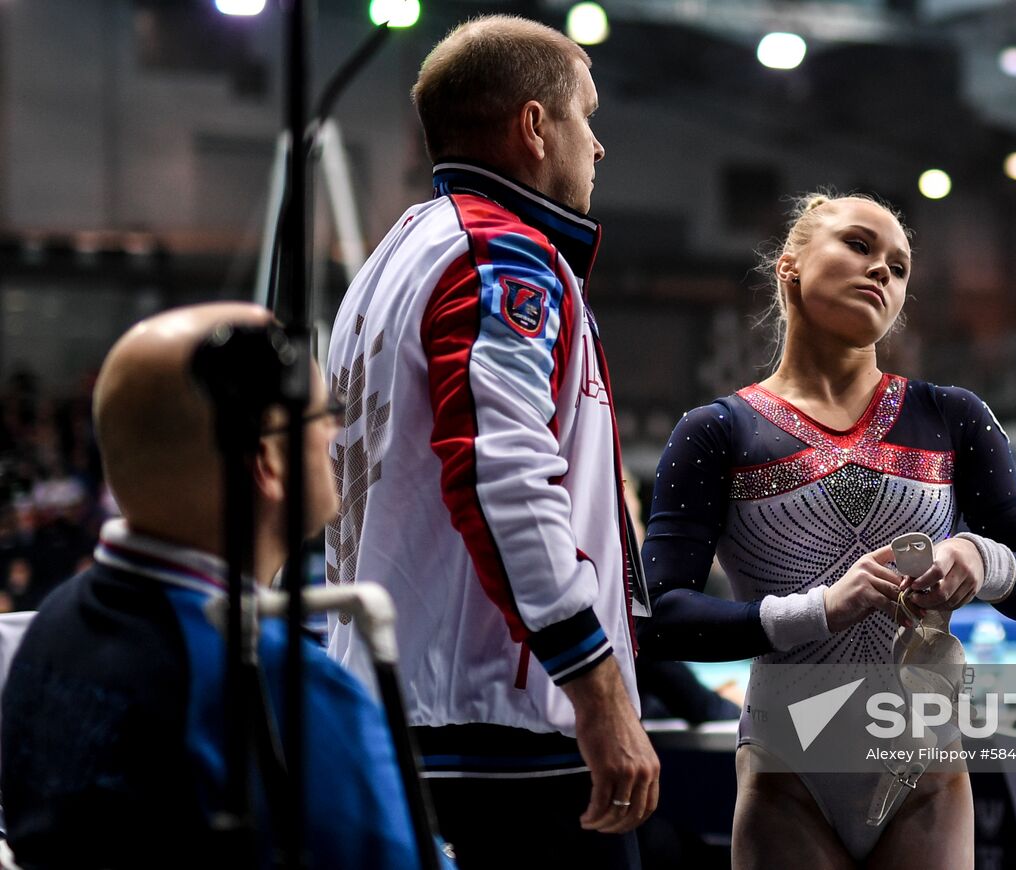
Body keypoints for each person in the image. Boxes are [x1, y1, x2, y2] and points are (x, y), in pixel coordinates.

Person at [641, 193, 1016, 869]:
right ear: (791, 265)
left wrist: (979, 558)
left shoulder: (952, 417)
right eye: (860, 246)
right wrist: (822, 609)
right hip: (790, 775)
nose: (882, 273)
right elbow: (662, 619)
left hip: (923, 775)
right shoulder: (717, 432)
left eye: (899, 268)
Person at [323, 14, 658, 868]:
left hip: (413, 707)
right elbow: (500, 476)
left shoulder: (394, 258)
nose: (600, 147)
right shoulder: (499, 257)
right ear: (535, 126)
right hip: (501, 736)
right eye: (587, 116)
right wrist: (597, 691)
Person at [0, 303, 442, 868]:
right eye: (326, 412)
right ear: (268, 458)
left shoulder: (50, 633)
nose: (339, 429)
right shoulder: (285, 689)